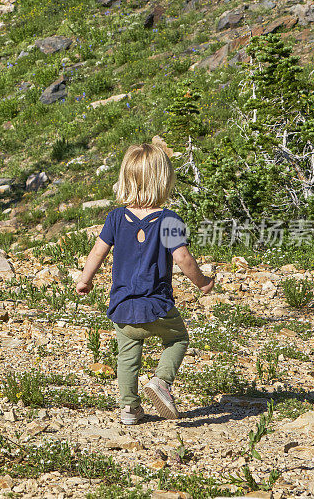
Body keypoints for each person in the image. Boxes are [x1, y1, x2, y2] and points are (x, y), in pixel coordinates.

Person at [75, 142, 214, 425]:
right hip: (158, 305)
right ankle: (161, 382)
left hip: (123, 306)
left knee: (127, 355)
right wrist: (203, 282)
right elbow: (184, 258)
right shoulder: (169, 219)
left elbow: (97, 252)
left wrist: (84, 280)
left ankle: (129, 409)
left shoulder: (115, 217)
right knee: (177, 339)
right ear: (164, 181)